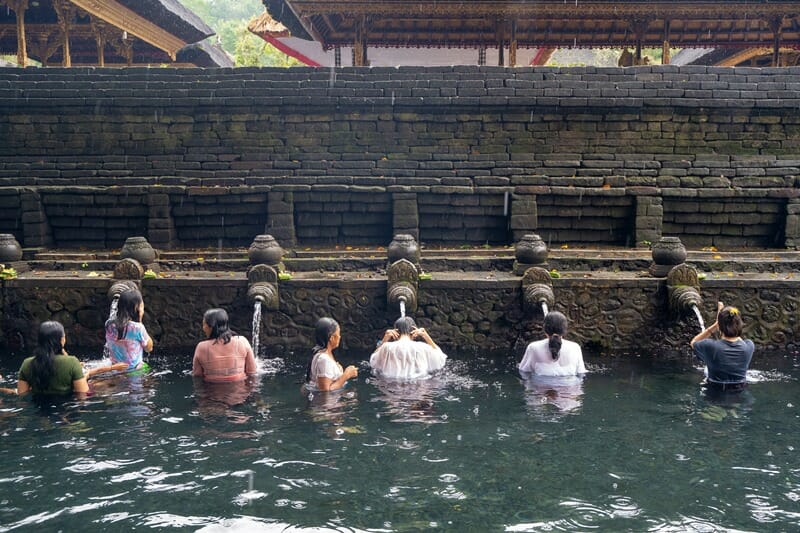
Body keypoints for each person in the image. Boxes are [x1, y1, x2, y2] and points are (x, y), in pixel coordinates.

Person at [16, 321, 96, 396]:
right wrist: (85, 377)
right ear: (62, 340)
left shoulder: (27, 363)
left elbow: (22, 395)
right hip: (66, 408)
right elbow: (83, 394)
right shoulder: (72, 362)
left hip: (38, 408)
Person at [691, 302, 754, 391]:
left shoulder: (711, 346)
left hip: (715, 391)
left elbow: (694, 342)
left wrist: (715, 326)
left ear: (720, 327)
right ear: (739, 324)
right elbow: (737, 338)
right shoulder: (749, 346)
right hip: (740, 391)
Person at [369, 317, 447, 380]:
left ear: (396, 331)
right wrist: (426, 336)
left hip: (392, 387)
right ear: (414, 330)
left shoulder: (386, 347)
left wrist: (385, 339)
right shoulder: (423, 347)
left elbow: (373, 362)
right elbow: (440, 360)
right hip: (418, 387)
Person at [193, 308, 257, 382]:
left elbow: (197, 375)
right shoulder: (242, 341)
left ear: (210, 326)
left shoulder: (201, 347)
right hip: (240, 391)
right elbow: (252, 372)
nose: (203, 328)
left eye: (204, 324)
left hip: (211, 391)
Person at [518, 311, 586, 376]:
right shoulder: (575, 347)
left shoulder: (533, 348)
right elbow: (581, 373)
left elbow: (524, 371)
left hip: (541, 386)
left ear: (544, 330)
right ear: (565, 330)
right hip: (570, 386)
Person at [105, 288, 153, 371]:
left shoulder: (109, 324)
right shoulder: (137, 328)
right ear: (136, 307)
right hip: (134, 370)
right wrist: (140, 320)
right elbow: (149, 348)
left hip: (114, 368)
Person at [305, 317, 357, 391]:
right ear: (332, 338)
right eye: (338, 334)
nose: (340, 337)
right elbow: (325, 391)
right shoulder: (324, 359)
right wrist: (346, 375)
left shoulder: (320, 354)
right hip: (327, 402)